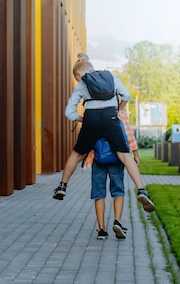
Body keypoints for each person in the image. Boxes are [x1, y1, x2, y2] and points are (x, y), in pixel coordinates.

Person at [52, 55, 155, 213]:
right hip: (110, 117)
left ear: (79, 74)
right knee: (124, 156)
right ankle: (141, 190)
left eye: (76, 78)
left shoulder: (82, 84)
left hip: (91, 118)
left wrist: (81, 118)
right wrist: (119, 109)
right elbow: (126, 95)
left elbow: (69, 112)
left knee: (77, 153)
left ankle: (62, 186)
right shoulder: (110, 77)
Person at [85, 109, 139, 240]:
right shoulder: (119, 112)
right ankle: (117, 221)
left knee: (99, 193)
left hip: (98, 156)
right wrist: (135, 154)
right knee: (118, 190)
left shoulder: (93, 111)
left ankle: (102, 230)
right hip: (117, 156)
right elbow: (128, 133)